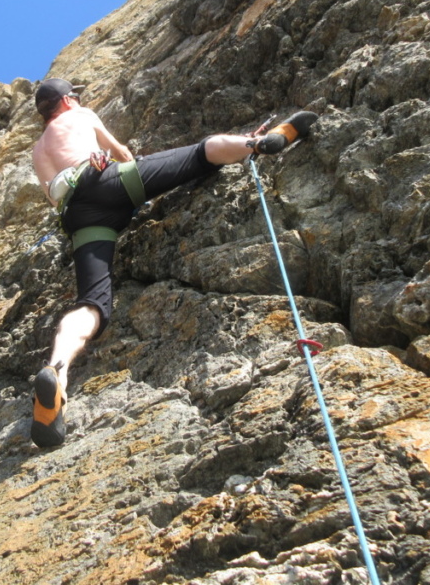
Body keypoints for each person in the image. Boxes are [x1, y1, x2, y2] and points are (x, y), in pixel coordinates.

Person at [29, 78, 317, 447]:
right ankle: (260, 142)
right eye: (75, 95)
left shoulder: (38, 151)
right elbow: (121, 152)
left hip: (79, 216)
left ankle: (57, 370)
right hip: (107, 180)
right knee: (201, 153)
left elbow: (55, 199)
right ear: (67, 100)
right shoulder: (81, 114)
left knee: (92, 303)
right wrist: (137, 188)